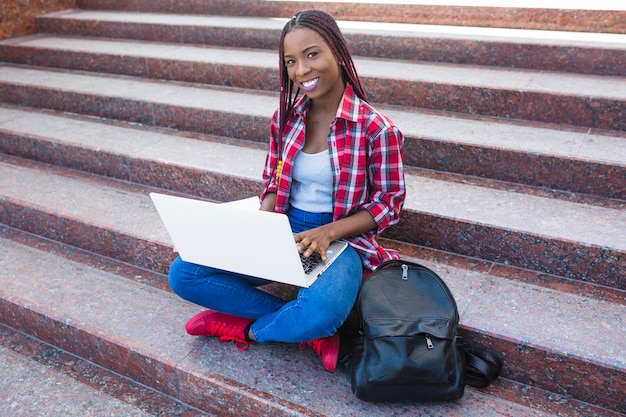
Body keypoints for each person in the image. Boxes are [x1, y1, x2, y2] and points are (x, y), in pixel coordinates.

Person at [168, 9, 405, 372]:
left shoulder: (376, 129)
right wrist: (248, 230)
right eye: (291, 61)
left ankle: (246, 329)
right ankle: (297, 328)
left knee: (321, 313)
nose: (302, 71)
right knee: (185, 273)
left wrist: (328, 232)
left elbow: (389, 204)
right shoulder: (285, 119)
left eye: (312, 54)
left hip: (338, 244)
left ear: (338, 52)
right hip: (284, 233)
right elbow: (273, 183)